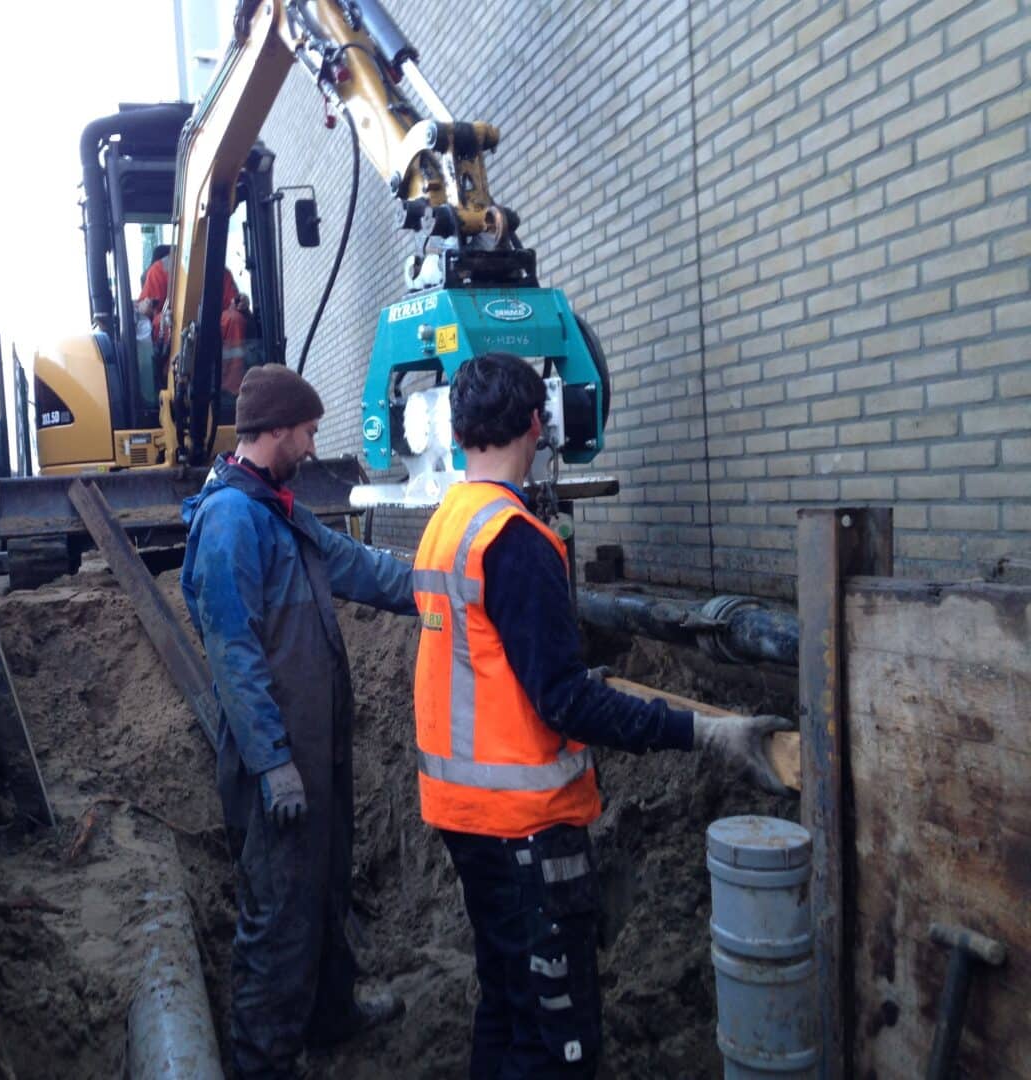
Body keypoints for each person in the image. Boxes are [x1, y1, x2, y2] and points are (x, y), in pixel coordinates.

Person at [412, 352, 794, 1078]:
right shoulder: (514, 540)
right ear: (537, 423)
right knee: (555, 1044)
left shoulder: (448, 523)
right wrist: (703, 732)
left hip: (465, 817)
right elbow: (564, 701)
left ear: (457, 432)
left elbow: (487, 661)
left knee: (506, 1006)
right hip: (523, 828)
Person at [181, 365, 415, 1078]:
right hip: (277, 763)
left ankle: (330, 1014)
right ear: (277, 428)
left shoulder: (279, 511)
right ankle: (264, 1061)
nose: (313, 445)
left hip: (317, 750)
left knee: (326, 886)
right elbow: (233, 651)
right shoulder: (231, 519)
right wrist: (272, 761)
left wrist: (449, 581)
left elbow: (361, 568)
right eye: (309, 431)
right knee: (280, 913)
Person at [137, 248, 251, 395]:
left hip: (212, 331)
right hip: (175, 333)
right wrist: (145, 308)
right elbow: (144, 311)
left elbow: (233, 303)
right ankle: (172, 382)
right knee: (163, 321)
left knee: (234, 319)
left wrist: (240, 304)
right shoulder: (160, 270)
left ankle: (232, 391)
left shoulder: (218, 270)